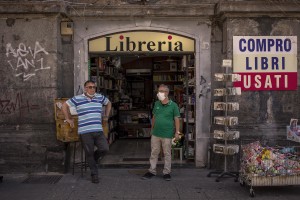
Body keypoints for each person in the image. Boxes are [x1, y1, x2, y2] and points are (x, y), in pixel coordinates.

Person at [62, 80, 111, 184]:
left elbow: (109, 103)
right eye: (90, 87)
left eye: (94, 87)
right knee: (89, 153)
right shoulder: (78, 99)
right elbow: (64, 106)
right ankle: (94, 174)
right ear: (85, 88)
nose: (92, 89)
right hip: (85, 132)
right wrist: (68, 118)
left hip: (98, 130)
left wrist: (106, 116)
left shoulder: (99, 97)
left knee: (105, 149)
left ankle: (93, 158)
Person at [142, 84, 181, 181]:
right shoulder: (156, 104)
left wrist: (177, 132)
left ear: (167, 93)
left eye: (161, 91)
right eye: (158, 91)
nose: (159, 93)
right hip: (156, 133)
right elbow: (154, 117)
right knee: (154, 152)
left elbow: (177, 119)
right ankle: (152, 171)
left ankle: (166, 172)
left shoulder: (174, 105)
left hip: (167, 134)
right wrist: (152, 129)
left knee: (167, 153)